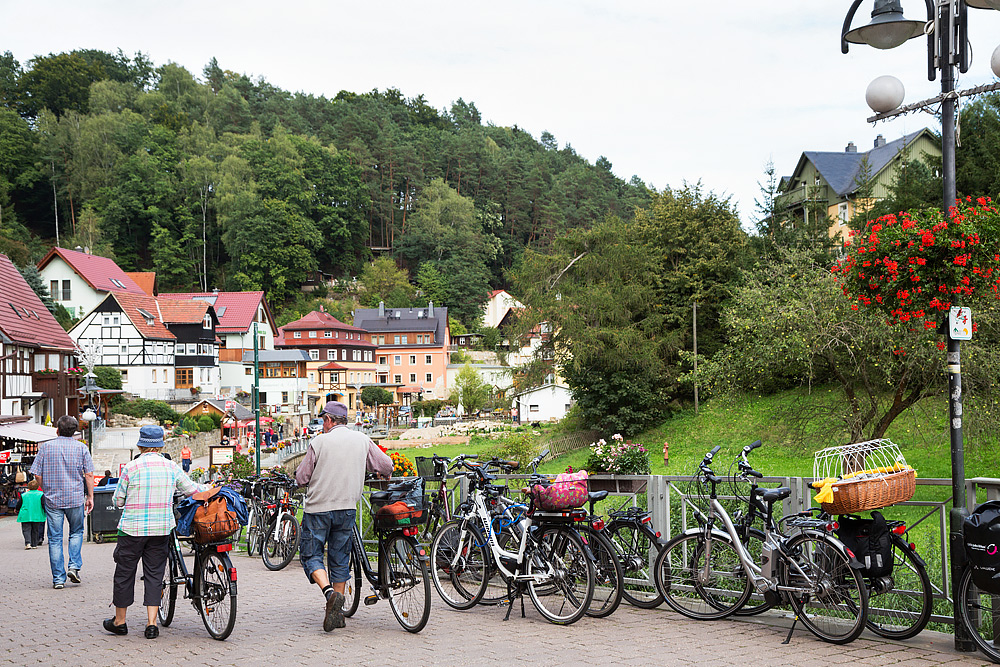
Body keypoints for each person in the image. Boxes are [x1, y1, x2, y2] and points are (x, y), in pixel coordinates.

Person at [104, 425, 209, 640]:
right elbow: (192, 489)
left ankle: (120, 622)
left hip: (131, 530)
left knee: (125, 573)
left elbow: (118, 500)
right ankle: (152, 624)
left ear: (140, 444)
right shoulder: (171, 467)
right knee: (155, 573)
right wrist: (212, 488)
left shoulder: (131, 468)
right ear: (161, 445)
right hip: (161, 529)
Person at [295, 401, 392, 632]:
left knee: (311, 555)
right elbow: (386, 465)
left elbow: (302, 477)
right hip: (347, 508)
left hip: (318, 509)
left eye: (323, 420)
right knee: (340, 559)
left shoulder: (319, 442)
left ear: (329, 420)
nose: (322, 424)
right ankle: (336, 613)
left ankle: (329, 593)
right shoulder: (362, 440)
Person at [30, 415, 94, 589]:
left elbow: (36, 474)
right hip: (74, 498)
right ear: (74, 432)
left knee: (55, 539)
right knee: (76, 532)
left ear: (57, 430)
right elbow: (88, 474)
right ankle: (73, 566)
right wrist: (90, 497)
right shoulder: (82, 448)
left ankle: (58, 579)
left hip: (53, 500)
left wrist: (47, 487)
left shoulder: (45, 448)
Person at [16, 479, 46, 549]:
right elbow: (43, 504)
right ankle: (34, 544)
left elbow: (19, 504)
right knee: (35, 529)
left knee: (26, 529)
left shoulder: (24, 495)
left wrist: (17, 509)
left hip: (25, 514)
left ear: (28, 487)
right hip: (37, 514)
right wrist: (45, 511)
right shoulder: (41, 494)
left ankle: (28, 543)